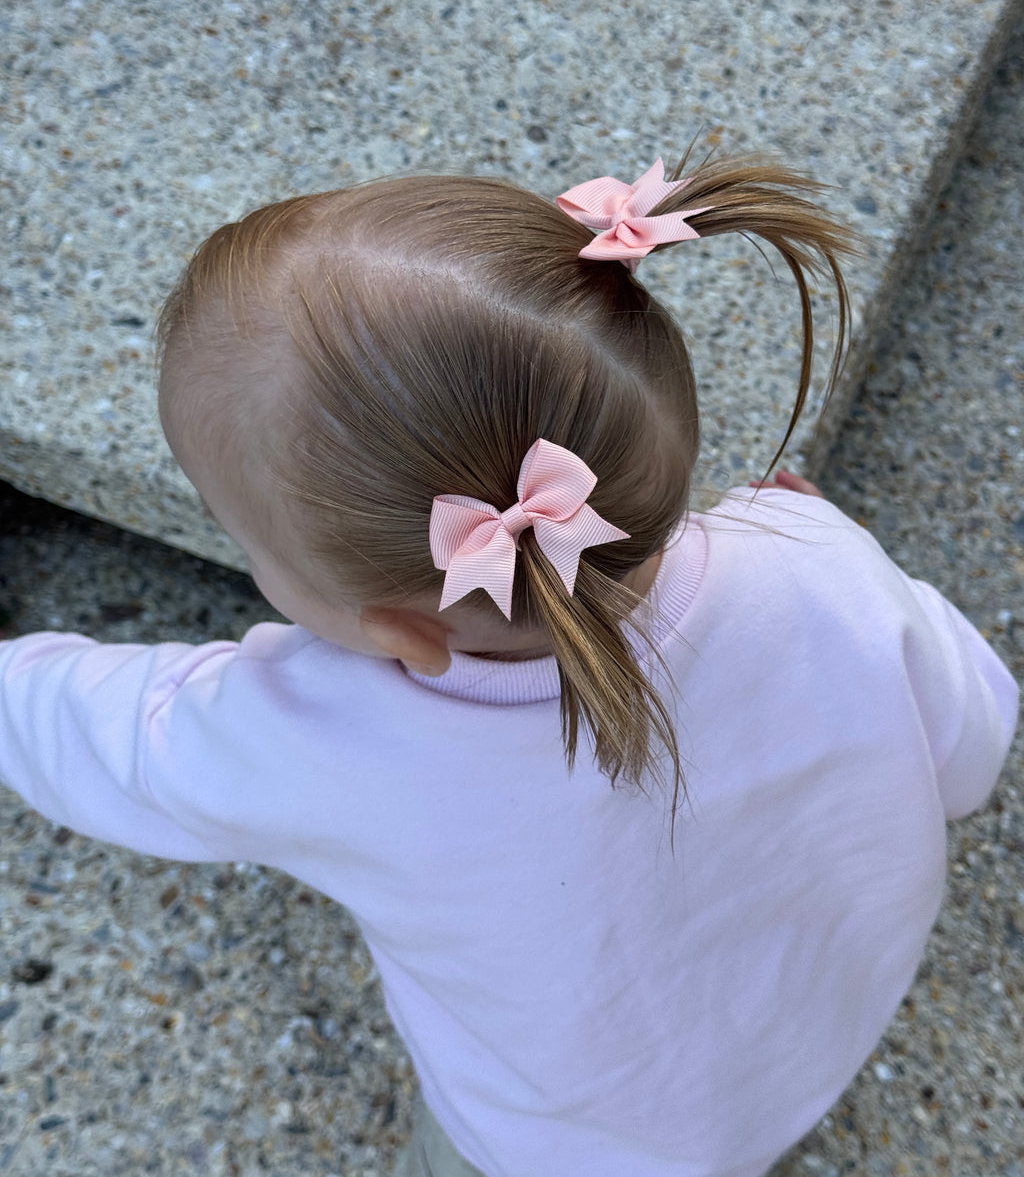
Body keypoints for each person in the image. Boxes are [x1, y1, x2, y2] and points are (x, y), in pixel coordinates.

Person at [0, 153, 1017, 1177]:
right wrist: (817, 539)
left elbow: (116, 739)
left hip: (567, 1148)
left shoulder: (322, 737)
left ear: (399, 631)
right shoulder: (815, 561)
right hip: (815, 1027)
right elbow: (971, 743)